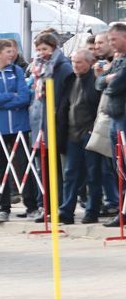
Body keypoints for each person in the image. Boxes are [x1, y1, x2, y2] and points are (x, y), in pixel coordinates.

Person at [0, 39, 32, 223]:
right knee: (1, 169)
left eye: (13, 51)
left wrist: (2, 102)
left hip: (19, 126)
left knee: (25, 166)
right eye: (8, 51)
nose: (12, 54)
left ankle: (31, 206)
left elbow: (24, 97)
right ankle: (4, 208)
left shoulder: (17, 71)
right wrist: (11, 97)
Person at [29, 32, 73, 222]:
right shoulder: (38, 69)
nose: (41, 53)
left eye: (45, 49)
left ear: (54, 48)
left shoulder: (62, 68)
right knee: (43, 169)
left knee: (57, 169)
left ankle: (59, 206)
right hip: (40, 122)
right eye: (38, 49)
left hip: (55, 123)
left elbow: (62, 98)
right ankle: (46, 206)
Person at [57, 49, 103, 224]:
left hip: (90, 134)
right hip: (72, 135)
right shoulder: (70, 80)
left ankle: (92, 211)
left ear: (89, 63)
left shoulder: (95, 81)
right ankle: (66, 210)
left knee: (93, 174)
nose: (75, 65)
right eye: (74, 62)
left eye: (79, 62)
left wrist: (94, 129)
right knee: (70, 174)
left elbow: (99, 106)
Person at [95, 22, 126, 227]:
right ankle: (122, 212)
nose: (111, 43)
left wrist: (107, 80)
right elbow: (99, 83)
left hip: (123, 118)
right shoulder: (117, 60)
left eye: (114, 39)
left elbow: (115, 85)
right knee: (120, 169)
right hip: (115, 118)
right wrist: (107, 78)